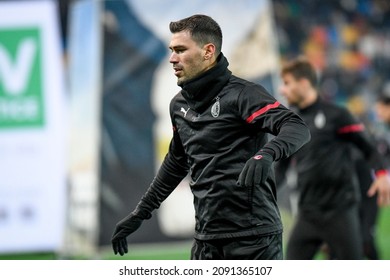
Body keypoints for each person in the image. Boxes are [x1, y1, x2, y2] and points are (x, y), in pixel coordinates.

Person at [110, 14, 311, 260]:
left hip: (253, 239)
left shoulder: (243, 95)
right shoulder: (178, 105)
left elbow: (295, 126)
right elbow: (175, 162)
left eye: (181, 50)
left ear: (208, 51)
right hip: (206, 240)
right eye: (172, 50)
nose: (173, 58)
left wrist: (267, 153)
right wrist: (140, 213)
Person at [277, 56, 390, 260]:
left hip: (340, 213)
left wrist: (382, 175)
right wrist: (260, 193)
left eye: (287, 83)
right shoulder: (290, 123)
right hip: (308, 213)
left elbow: (369, 149)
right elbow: (280, 169)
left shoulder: (337, 115)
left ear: (303, 83)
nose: (282, 90)